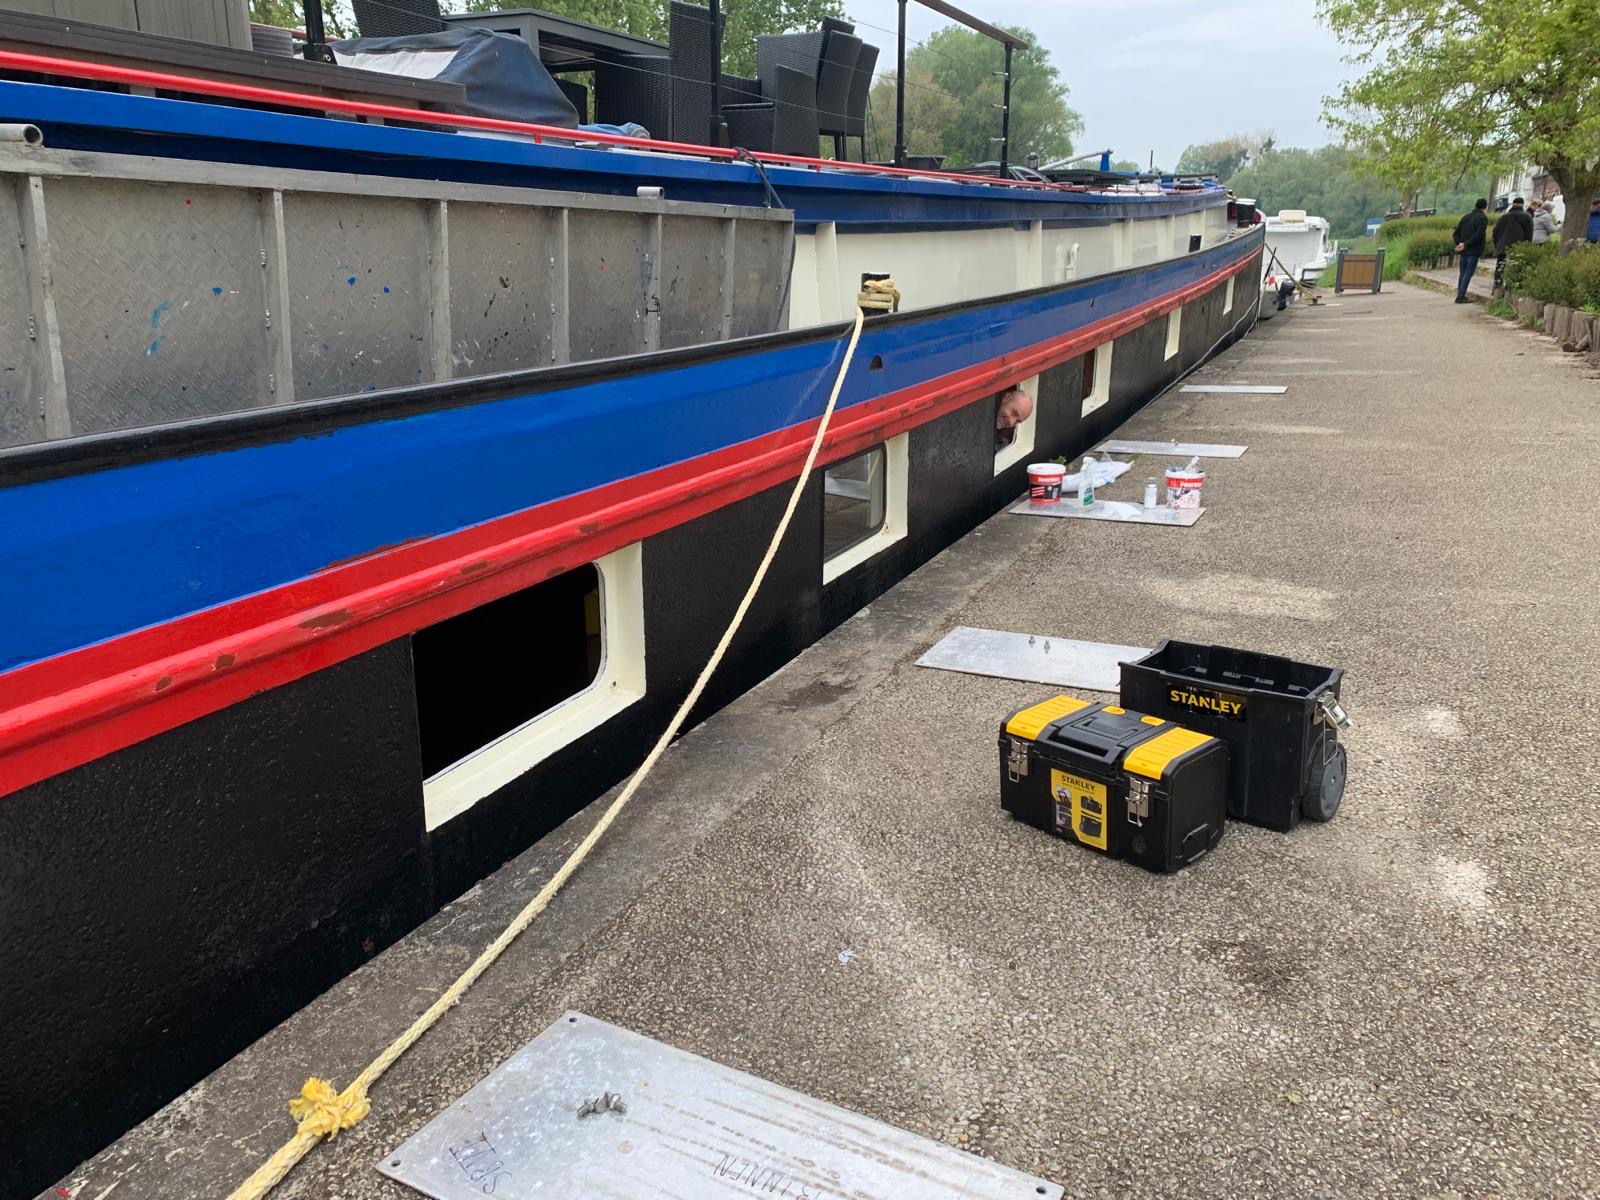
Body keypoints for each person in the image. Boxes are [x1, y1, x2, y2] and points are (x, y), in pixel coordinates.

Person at [1451, 198, 1488, 303]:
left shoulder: (1466, 217)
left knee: (1462, 272)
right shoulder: (1483, 218)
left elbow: (1456, 233)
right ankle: (1461, 296)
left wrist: (1460, 243)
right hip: (1473, 250)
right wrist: (1466, 244)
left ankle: (1460, 293)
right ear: (1484, 207)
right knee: (1468, 273)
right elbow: (1478, 235)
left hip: (1463, 250)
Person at [1492, 197, 1532, 292]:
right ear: (1522, 204)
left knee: (1500, 267)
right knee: (1514, 268)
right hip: (1518, 248)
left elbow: (1495, 232)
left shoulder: (1504, 216)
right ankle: (1510, 288)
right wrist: (1527, 247)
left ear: (1513, 204)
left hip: (1502, 246)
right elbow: (1529, 234)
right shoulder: (1527, 217)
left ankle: (1497, 288)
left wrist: (1497, 244)